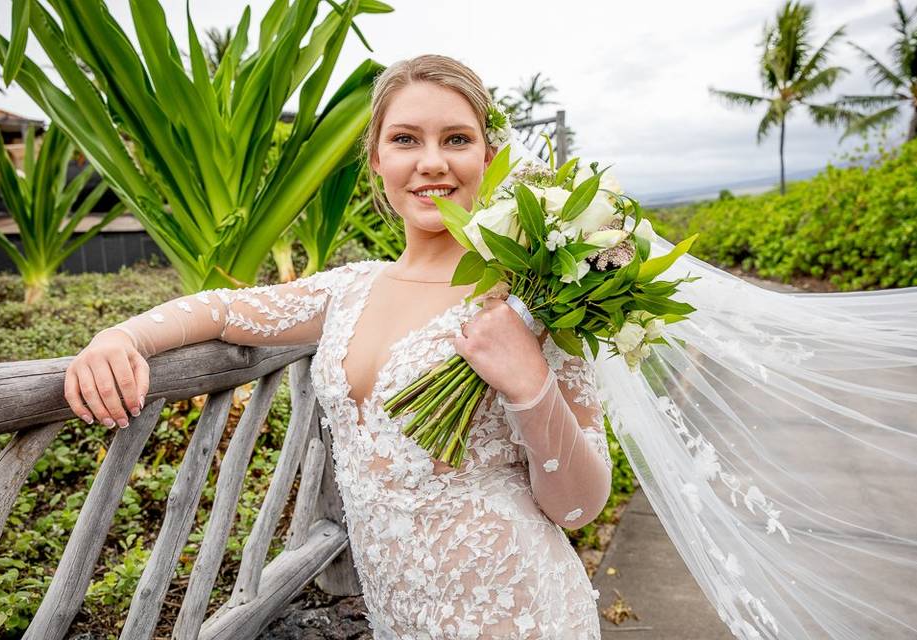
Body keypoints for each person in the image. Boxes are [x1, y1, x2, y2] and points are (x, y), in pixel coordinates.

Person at [64, 54, 612, 639]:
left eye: (456, 138)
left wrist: (531, 385)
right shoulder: (348, 290)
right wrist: (122, 336)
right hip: (397, 615)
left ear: (490, 156)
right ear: (377, 160)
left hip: (514, 609)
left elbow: (578, 508)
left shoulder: (532, 302)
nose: (432, 162)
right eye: (405, 139)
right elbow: (224, 309)